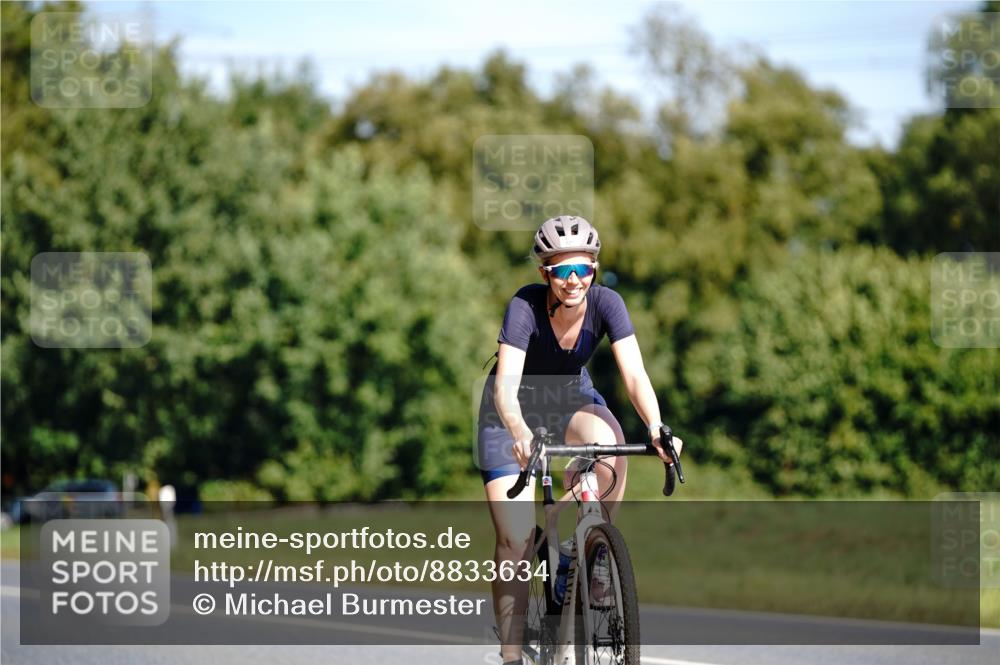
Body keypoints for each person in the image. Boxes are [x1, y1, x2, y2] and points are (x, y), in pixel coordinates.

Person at [477, 215, 683, 665]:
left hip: (570, 398)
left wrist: (655, 426)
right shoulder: (524, 307)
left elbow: (634, 374)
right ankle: (512, 656)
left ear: (594, 269)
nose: (574, 281)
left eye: (583, 269)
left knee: (608, 445)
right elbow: (504, 387)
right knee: (513, 539)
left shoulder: (608, 303)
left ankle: (590, 550)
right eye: (562, 271)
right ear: (544, 273)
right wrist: (519, 433)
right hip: (510, 411)